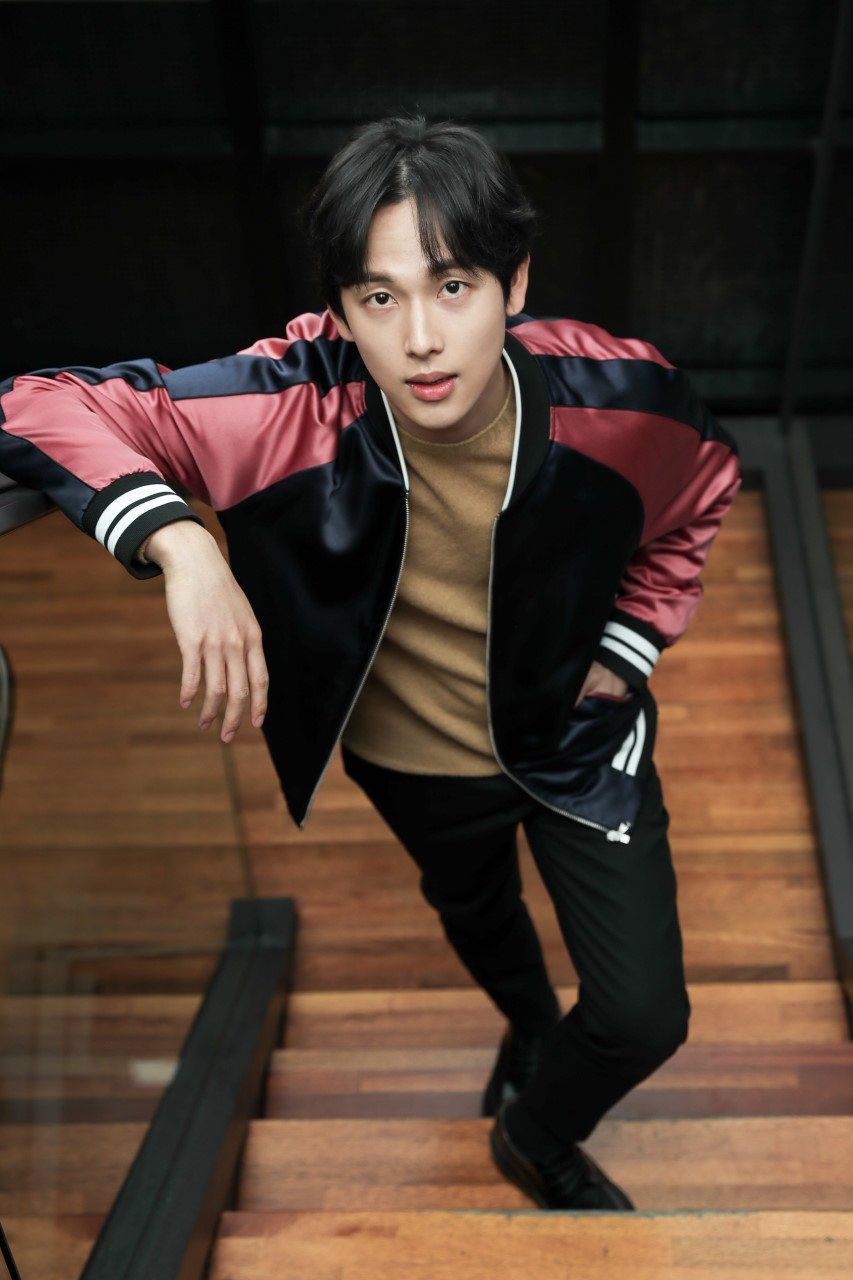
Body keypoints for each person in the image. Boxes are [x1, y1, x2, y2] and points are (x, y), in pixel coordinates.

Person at [0, 113, 742, 1211]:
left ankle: (532, 1132)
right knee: (476, 911)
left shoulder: (618, 400)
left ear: (514, 283)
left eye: (453, 286)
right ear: (342, 310)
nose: (422, 339)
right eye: (380, 298)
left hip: (575, 733)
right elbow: (34, 402)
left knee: (644, 1015)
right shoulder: (286, 404)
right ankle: (528, 1028)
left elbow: (704, 485)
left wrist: (627, 644)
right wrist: (182, 543)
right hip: (411, 758)